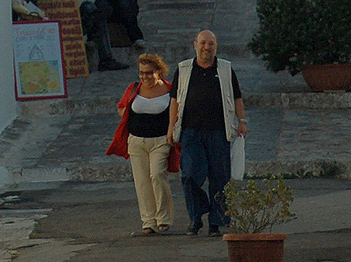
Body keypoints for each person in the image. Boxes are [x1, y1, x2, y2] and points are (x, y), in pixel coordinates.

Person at [168, 30, 247, 236]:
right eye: (203, 43)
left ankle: (217, 222)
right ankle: (197, 216)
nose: (206, 47)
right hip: (190, 131)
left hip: (219, 131)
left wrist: (242, 121)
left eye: (210, 43)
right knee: (189, 175)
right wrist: (171, 127)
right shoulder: (183, 69)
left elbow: (237, 97)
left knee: (220, 177)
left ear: (216, 45)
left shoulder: (226, 69)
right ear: (195, 44)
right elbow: (175, 100)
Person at [106, 52, 177, 235]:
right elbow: (122, 107)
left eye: (149, 73)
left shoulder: (170, 90)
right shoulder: (133, 88)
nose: (145, 77)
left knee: (157, 175)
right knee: (142, 182)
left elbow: (177, 111)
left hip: (160, 141)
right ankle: (148, 221)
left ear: (159, 72)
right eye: (142, 73)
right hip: (137, 141)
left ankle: (163, 218)